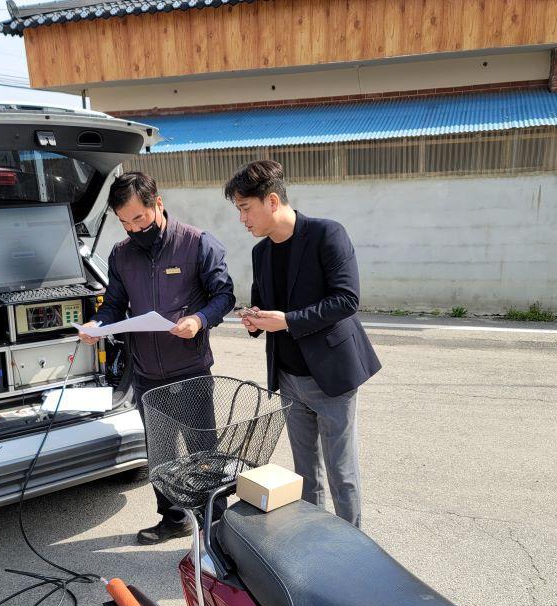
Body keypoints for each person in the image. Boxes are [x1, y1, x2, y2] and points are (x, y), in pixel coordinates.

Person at [79, 172, 235, 544]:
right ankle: (173, 518)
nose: (134, 228)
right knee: (160, 453)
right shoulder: (121, 254)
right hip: (147, 372)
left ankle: (216, 525)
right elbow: (114, 305)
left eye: (140, 219)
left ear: (157, 204)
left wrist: (199, 320)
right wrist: (97, 324)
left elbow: (224, 295)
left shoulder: (197, 244)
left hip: (190, 370)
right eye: (125, 222)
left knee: (201, 451)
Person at [225, 160, 381, 528]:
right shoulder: (261, 252)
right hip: (288, 376)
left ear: (272, 200)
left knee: (341, 471)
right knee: (304, 472)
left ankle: (353, 546)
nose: (242, 219)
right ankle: (314, 542)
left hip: (330, 375)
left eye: (245, 209)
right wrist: (255, 320)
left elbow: (346, 299)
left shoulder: (327, 234)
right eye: (239, 210)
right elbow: (265, 303)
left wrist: (288, 320)